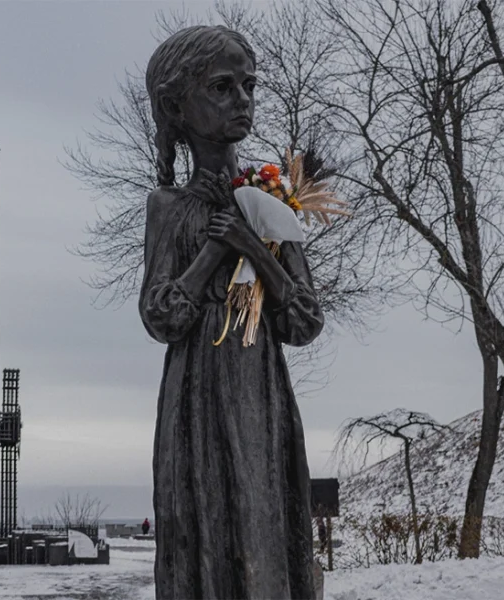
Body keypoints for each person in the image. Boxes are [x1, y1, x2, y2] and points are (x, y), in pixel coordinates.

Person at [140, 25, 323, 599]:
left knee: (262, 515)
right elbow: (161, 317)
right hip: (195, 399)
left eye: (248, 85)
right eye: (222, 87)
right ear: (177, 106)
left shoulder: (271, 203)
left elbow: (304, 320)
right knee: (202, 522)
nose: (242, 100)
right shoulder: (167, 207)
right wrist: (215, 251)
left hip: (259, 395)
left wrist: (252, 249)